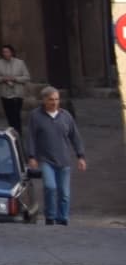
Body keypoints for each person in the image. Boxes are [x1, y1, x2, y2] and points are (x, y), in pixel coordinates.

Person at [25, 86, 87, 226]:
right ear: (44, 100)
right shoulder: (36, 116)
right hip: (46, 160)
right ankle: (50, 217)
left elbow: (75, 137)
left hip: (64, 160)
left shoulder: (66, 116)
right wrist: (31, 156)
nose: (54, 102)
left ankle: (63, 218)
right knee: (50, 187)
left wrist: (80, 156)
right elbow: (31, 138)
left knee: (64, 193)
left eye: (57, 99)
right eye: (51, 99)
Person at [0, 42, 32, 136]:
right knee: (9, 115)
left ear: (12, 52)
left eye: (7, 51)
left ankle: (19, 134)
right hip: (5, 94)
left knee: (16, 115)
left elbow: (27, 77)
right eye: (3, 52)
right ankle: (11, 134)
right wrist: (3, 79)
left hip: (17, 94)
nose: (5, 53)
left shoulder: (20, 63)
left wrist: (15, 78)